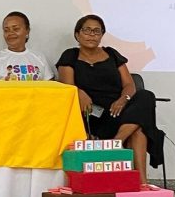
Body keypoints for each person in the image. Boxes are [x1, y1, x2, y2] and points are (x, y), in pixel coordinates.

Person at [56, 14, 163, 183]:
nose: (92, 35)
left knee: (146, 96)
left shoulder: (112, 54)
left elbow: (130, 85)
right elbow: (67, 86)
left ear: (102, 35)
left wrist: (123, 99)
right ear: (77, 34)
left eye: (96, 31)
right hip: (90, 114)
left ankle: (118, 147)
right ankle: (138, 176)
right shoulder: (70, 55)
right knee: (138, 130)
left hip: (118, 112)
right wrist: (79, 92)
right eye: (87, 30)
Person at [0, 11, 55, 81]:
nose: (10, 33)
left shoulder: (40, 57)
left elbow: (51, 87)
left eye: (16, 29)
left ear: (27, 31)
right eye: (6, 30)